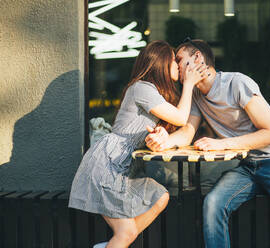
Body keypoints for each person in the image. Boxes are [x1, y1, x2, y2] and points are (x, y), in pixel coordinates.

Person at [145, 39, 270, 248]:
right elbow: (187, 132)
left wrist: (221, 144)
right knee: (213, 204)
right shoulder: (196, 95)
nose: (176, 65)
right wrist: (163, 141)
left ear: (197, 57)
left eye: (179, 59)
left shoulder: (237, 83)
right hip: (248, 167)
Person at [68, 40, 208, 248]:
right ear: (161, 63)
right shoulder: (142, 88)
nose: (178, 66)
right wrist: (188, 84)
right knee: (126, 233)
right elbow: (180, 118)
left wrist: (159, 135)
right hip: (107, 166)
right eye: (173, 61)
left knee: (159, 198)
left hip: (123, 167)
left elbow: (163, 129)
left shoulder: (154, 93)